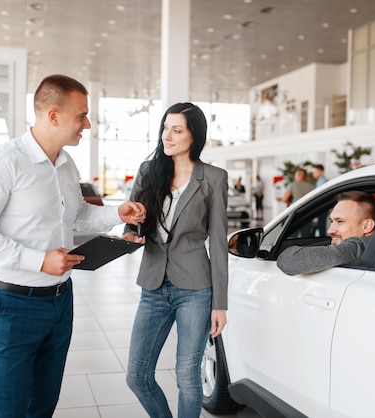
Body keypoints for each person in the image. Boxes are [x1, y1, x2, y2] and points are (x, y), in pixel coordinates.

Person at [0, 74, 146, 418]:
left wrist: (116, 213)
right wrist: (38, 260)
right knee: (8, 410)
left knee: (43, 406)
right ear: (53, 116)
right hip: (11, 305)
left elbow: (77, 216)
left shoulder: (66, 164)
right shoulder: (3, 161)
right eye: (81, 115)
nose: (87, 124)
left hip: (60, 302)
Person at [122, 102, 228, 418]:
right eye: (165, 128)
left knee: (187, 376)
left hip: (196, 288)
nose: (167, 136)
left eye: (176, 130)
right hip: (153, 285)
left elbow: (219, 242)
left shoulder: (214, 178)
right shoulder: (148, 171)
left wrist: (219, 303)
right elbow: (133, 217)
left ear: (194, 136)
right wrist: (131, 230)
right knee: (137, 376)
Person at [277, 190, 375, 275]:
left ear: (366, 226)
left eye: (340, 221)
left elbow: (287, 261)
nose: (330, 230)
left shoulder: (356, 248)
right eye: (331, 221)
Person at [281, 168, 315, 236]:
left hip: (295, 213)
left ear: (298, 175)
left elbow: (284, 199)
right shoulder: (312, 186)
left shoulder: (292, 185)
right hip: (308, 213)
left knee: (292, 235)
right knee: (306, 235)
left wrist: (288, 203)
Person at [311, 164, 329, 236]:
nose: (313, 174)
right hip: (323, 206)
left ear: (321, 172)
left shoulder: (323, 182)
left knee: (321, 225)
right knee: (321, 225)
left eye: (315, 172)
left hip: (322, 206)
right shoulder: (320, 181)